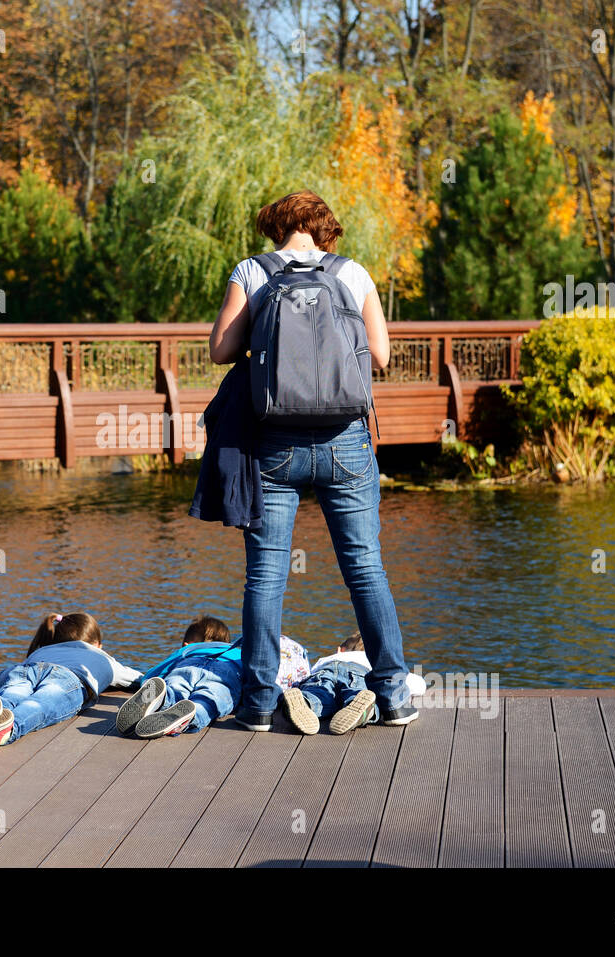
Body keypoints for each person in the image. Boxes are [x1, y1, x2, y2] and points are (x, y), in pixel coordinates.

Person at [209, 189, 416, 731]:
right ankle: (393, 696)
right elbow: (382, 356)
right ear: (323, 227)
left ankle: (256, 705)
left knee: (266, 576)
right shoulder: (354, 274)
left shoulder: (252, 272)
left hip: (273, 445)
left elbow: (221, 350)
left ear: (277, 227)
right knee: (365, 569)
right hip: (346, 442)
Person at [0, 612, 141, 752]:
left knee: (13, 694)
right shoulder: (101, 656)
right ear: (97, 644)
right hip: (69, 677)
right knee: (38, 704)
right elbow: (140, 680)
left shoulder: (43, 650)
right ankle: (9, 728)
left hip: (26, 669)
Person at [116, 616, 240, 739]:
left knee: (175, 688)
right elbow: (253, 679)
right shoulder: (238, 653)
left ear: (185, 644)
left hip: (189, 663)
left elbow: (159, 670)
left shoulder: (188, 650)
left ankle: (164, 698)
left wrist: (147, 681)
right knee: (209, 701)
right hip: (226, 670)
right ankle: (191, 716)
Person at [283, 631, 428, 735]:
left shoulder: (327, 658)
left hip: (325, 670)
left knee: (318, 692)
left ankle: (306, 702)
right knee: (357, 691)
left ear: (340, 649)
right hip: (359, 672)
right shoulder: (373, 661)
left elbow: (310, 675)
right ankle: (362, 706)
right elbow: (419, 684)